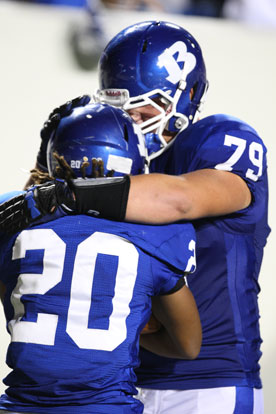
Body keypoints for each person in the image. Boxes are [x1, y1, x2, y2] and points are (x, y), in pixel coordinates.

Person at [0, 20, 270, 413]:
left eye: (144, 105)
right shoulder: (114, 152)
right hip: (116, 382)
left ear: (187, 95)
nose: (130, 118)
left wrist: (64, 191)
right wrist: (48, 160)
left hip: (209, 380)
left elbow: (178, 200)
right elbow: (33, 232)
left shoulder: (220, 139)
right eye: (116, 107)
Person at [0, 103, 202, 414]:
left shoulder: (15, 218)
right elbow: (188, 345)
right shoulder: (156, 235)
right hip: (105, 407)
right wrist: (124, 321)